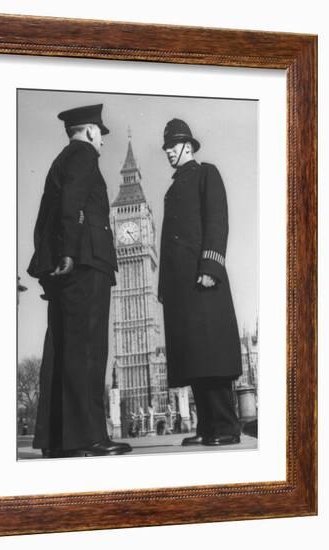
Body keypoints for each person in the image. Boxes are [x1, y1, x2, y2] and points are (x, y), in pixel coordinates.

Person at [27, 104, 132, 458]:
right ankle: (89, 437)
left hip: (65, 268)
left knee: (62, 351)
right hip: (86, 264)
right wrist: (71, 252)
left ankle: (58, 440)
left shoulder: (60, 160)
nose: (101, 140)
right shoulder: (84, 155)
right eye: (100, 133)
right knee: (87, 351)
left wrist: (51, 264)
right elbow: (72, 203)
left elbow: (45, 221)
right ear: (89, 131)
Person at [158, 118, 242, 447]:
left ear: (188, 147)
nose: (167, 152)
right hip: (181, 287)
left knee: (213, 355)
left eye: (173, 146)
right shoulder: (173, 186)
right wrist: (165, 287)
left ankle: (225, 427)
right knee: (195, 357)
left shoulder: (207, 173)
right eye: (165, 147)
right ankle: (207, 427)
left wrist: (210, 264)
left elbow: (217, 219)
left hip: (203, 279)